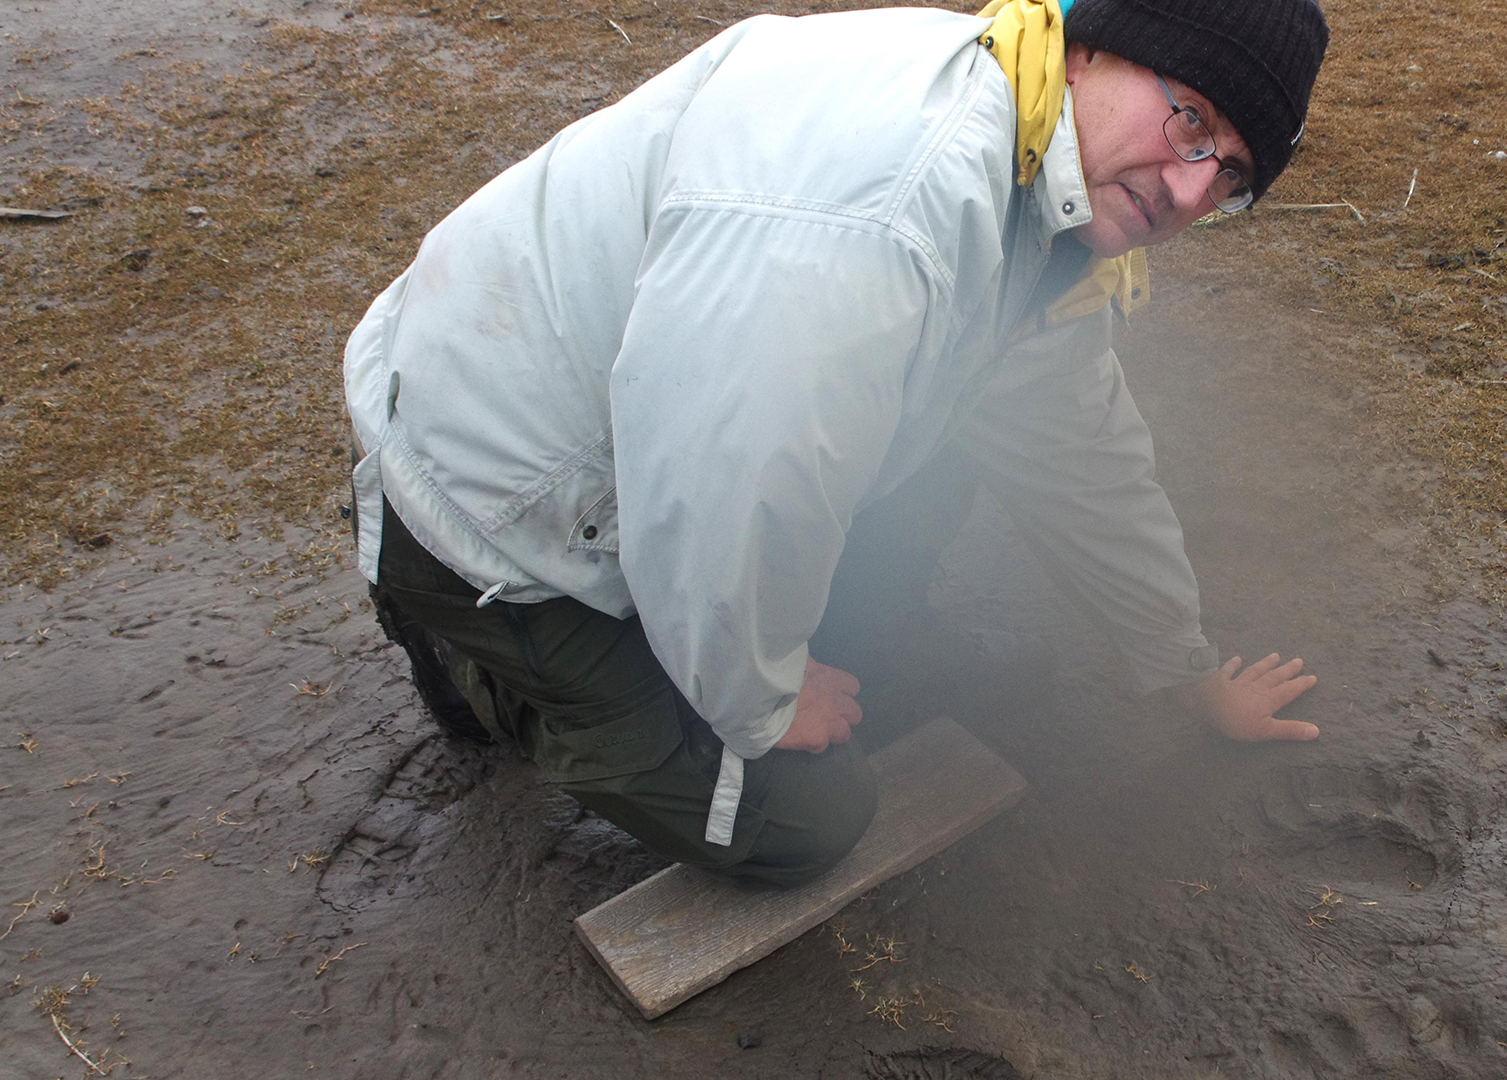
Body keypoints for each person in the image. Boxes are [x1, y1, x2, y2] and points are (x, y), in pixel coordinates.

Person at [344, 0, 1330, 887]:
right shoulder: (893, 202)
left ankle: (712, 654)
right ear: (1091, 48)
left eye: (1234, 174)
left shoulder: (1038, 178)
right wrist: (763, 702)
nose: (1193, 190)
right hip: (493, 494)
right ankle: (472, 650)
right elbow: (731, 470)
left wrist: (1185, 666)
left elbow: (1082, 457)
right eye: (1191, 118)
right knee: (804, 819)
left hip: (623, 436)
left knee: (944, 455)